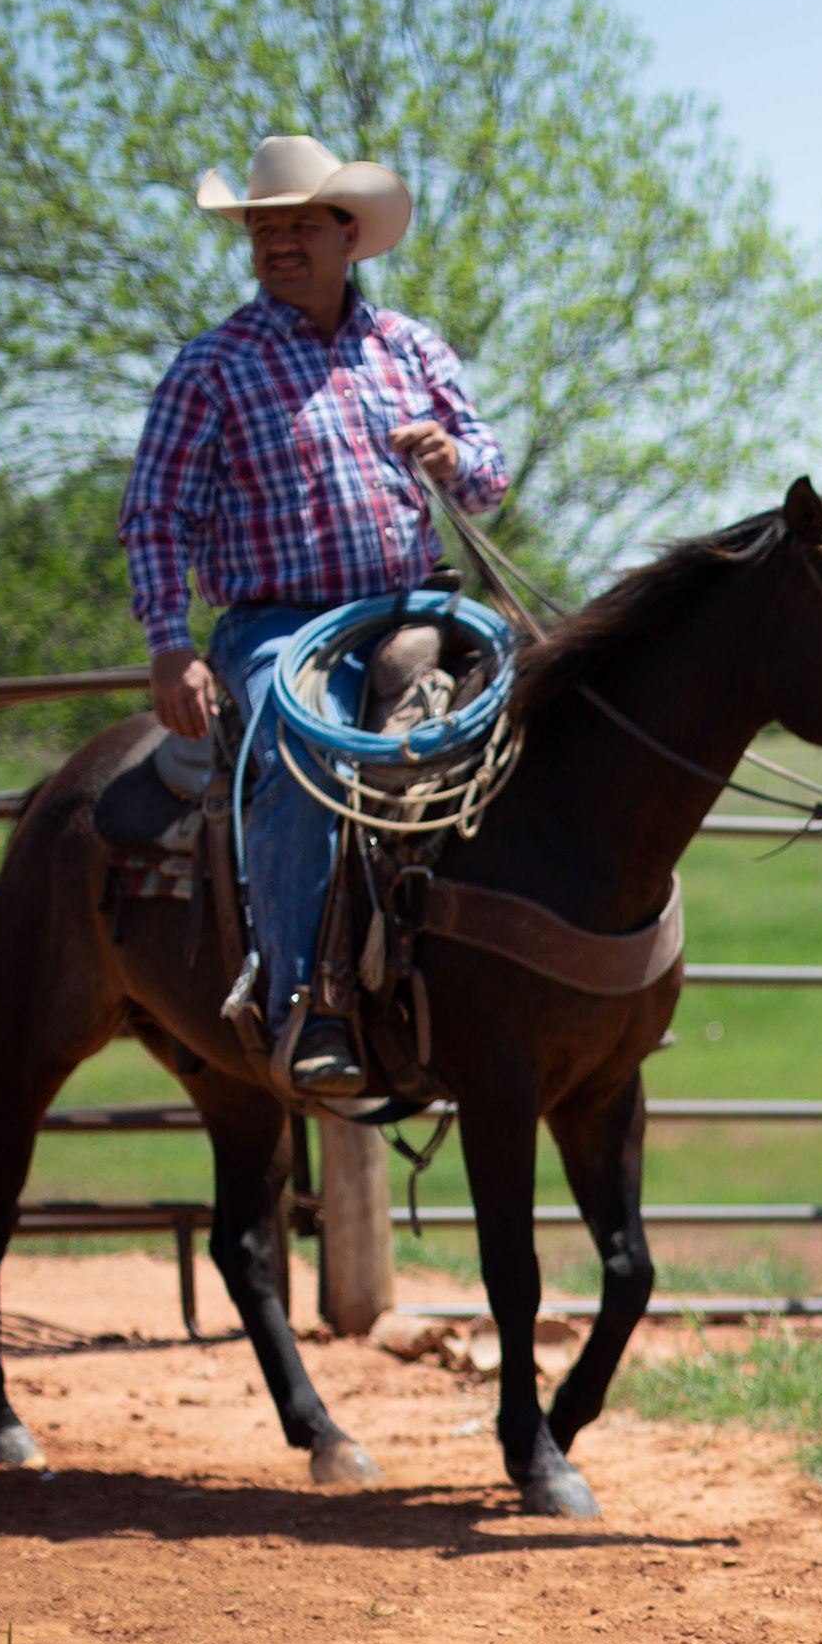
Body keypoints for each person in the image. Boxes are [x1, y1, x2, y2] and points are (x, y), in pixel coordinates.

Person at [119, 134, 509, 1094]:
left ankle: (507, 977)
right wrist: (169, 645)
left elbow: (487, 475)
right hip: (280, 629)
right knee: (305, 754)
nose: (280, 244)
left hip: (414, 606)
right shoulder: (212, 367)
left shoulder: (410, 347)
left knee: (533, 719)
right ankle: (306, 1003)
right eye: (264, 230)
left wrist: (453, 458)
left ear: (350, 236)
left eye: (300, 226)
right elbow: (156, 512)